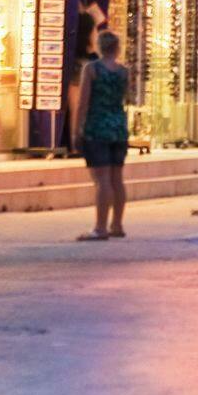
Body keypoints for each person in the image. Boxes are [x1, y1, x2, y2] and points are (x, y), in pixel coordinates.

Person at [72, 30, 130, 241]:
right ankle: (117, 224)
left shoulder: (92, 69)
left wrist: (78, 129)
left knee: (102, 179)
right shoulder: (124, 72)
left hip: (97, 127)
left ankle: (100, 227)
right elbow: (124, 98)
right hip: (118, 127)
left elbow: (83, 102)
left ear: (99, 46)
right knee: (117, 179)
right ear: (117, 47)